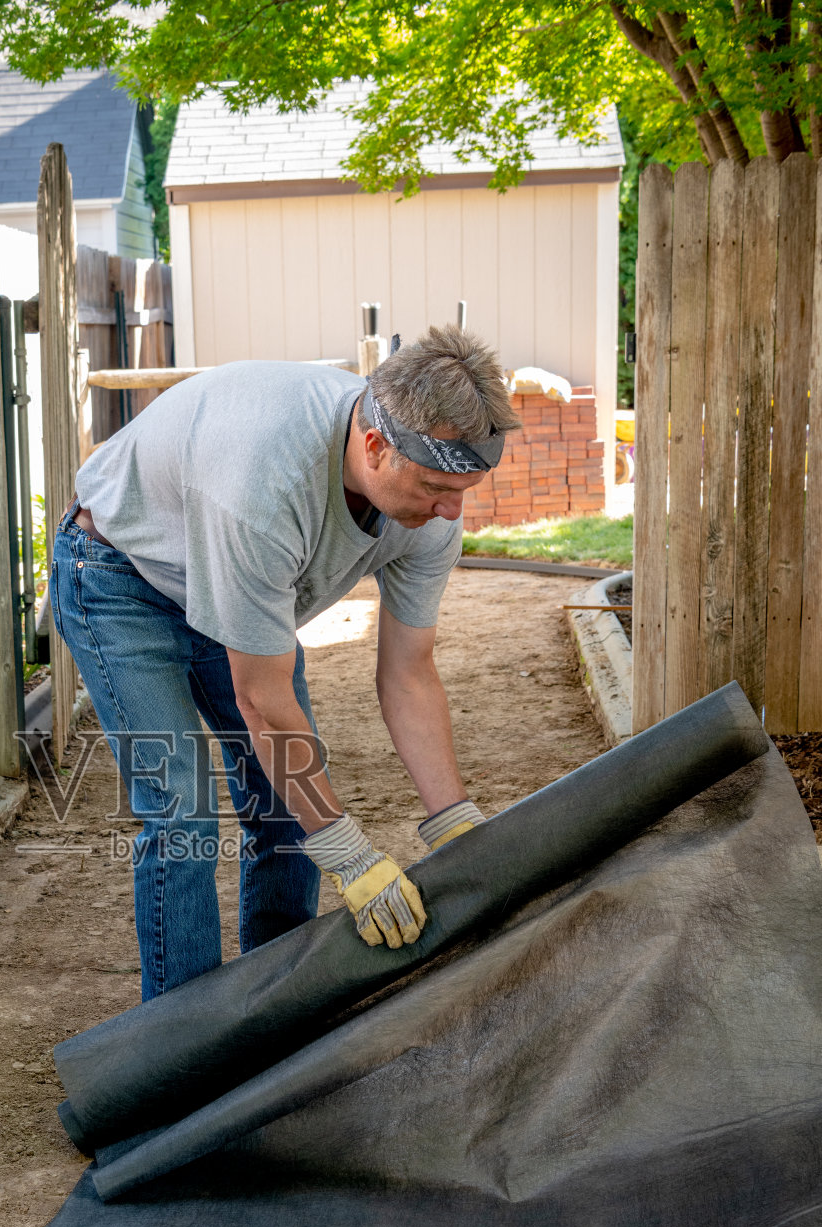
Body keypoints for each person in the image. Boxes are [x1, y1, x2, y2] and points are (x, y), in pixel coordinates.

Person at [50, 324, 520, 1001]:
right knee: (182, 812)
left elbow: (409, 674)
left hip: (228, 581)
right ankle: (186, 1051)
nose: (452, 510)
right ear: (374, 446)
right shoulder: (263, 489)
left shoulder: (433, 512)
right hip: (121, 576)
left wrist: (454, 821)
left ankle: (274, 1009)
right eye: (437, 487)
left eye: (465, 489)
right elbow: (264, 701)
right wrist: (349, 853)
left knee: (283, 805)